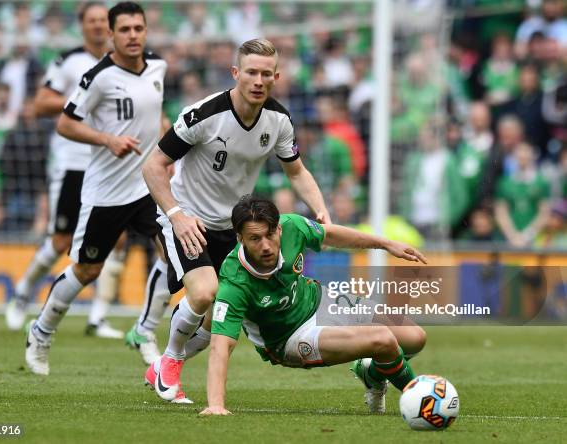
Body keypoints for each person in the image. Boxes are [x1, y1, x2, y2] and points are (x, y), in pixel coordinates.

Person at [141, 38, 331, 402]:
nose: (258, 80)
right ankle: (171, 360)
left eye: (266, 74)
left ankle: (163, 361)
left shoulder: (278, 120)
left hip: (233, 227)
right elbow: (152, 166)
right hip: (187, 218)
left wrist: (321, 209)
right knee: (204, 292)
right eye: (251, 72)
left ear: (276, 76)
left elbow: (297, 172)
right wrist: (177, 215)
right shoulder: (204, 115)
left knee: (219, 320)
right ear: (235, 74)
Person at [25, 2, 171, 379]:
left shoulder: (158, 67)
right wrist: (107, 139)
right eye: (125, 30)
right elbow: (65, 124)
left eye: (139, 28)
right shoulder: (98, 77)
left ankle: (144, 330)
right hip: (105, 193)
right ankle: (40, 331)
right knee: (88, 269)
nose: (133, 35)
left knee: (174, 257)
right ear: (111, 34)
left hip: (147, 186)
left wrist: (170, 148)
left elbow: (156, 115)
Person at [198, 196, 428, 415]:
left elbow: (330, 235)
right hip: (289, 339)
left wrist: (386, 244)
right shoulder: (234, 282)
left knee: (415, 337)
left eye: (270, 234)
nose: (266, 246)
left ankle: (372, 374)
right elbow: (221, 346)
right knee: (383, 339)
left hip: (319, 299)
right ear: (240, 239)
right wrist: (216, 405)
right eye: (255, 239)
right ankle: (423, 401)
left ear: (279, 228)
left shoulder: (293, 226)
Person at [5, 2, 124, 339]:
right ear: (82, 25)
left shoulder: (125, 64)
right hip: (73, 162)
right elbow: (40, 104)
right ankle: (23, 291)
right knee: (60, 241)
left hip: (110, 162)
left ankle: (98, 318)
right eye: (93, 21)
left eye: (104, 20)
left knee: (119, 238)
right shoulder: (70, 61)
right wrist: (84, 94)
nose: (100, 26)